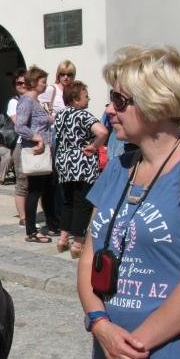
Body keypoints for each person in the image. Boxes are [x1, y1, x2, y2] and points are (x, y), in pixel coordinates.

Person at [77, 45, 180, 359]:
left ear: (156, 104)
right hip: (107, 356)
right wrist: (100, 325)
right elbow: (90, 254)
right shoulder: (119, 167)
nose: (109, 110)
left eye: (120, 101)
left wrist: (130, 349)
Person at [53, 81, 108, 257]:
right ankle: (77, 244)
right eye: (86, 96)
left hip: (64, 162)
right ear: (76, 99)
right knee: (83, 203)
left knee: (68, 201)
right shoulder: (83, 115)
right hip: (82, 163)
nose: (88, 99)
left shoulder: (61, 114)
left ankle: (63, 239)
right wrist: (94, 146)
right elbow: (103, 132)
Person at [15, 65, 60, 243]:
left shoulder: (36, 101)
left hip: (45, 151)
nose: (45, 85)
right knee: (34, 190)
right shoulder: (26, 101)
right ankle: (31, 231)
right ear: (33, 82)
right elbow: (20, 126)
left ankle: (53, 225)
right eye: (43, 81)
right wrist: (37, 138)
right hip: (36, 151)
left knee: (48, 189)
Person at [8, 69, 28, 225]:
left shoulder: (35, 100)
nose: (22, 85)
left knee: (39, 182)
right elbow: (19, 124)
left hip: (36, 144)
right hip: (21, 144)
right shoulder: (14, 102)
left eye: (24, 82)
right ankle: (23, 217)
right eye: (18, 83)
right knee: (22, 180)